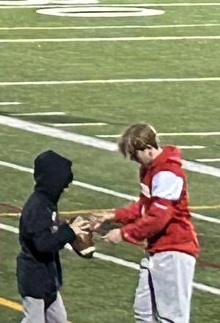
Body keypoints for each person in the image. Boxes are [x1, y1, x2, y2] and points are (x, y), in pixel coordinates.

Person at [99, 123, 198, 323]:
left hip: (174, 249)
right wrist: (114, 215)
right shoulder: (150, 169)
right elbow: (143, 206)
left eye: (135, 156)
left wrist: (124, 234)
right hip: (157, 249)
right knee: (143, 312)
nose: (134, 160)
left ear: (148, 149)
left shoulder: (167, 172)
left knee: (171, 317)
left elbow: (158, 217)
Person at [16, 150, 93, 322]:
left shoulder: (47, 203)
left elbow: (50, 230)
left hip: (48, 279)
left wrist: (68, 228)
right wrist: (69, 232)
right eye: (62, 185)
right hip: (34, 279)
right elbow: (43, 244)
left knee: (59, 319)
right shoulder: (37, 208)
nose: (65, 190)